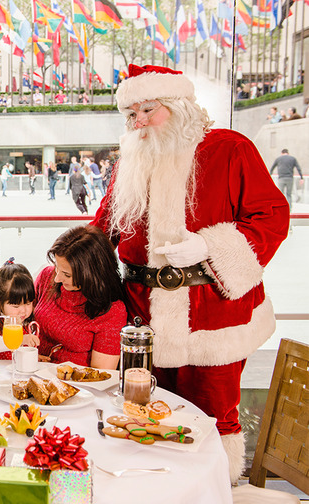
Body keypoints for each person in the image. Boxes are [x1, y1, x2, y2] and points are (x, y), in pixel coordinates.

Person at [92, 64, 289, 482]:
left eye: (148, 109)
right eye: (131, 114)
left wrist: (210, 247)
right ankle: (153, 489)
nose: (138, 122)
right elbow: (104, 227)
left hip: (212, 317)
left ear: (178, 105)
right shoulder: (131, 162)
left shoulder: (230, 149)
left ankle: (213, 490)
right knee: (141, 416)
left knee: (213, 419)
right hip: (142, 318)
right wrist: (65, 262)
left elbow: (271, 215)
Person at [34, 226, 126, 369]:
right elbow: (20, 322)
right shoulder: (47, 276)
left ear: (91, 274)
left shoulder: (112, 310)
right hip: (32, 372)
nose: (57, 278)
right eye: (57, 267)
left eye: (67, 275)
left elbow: (101, 374)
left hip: (74, 381)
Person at [0, 259, 40, 360]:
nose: (23, 311)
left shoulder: (29, 324)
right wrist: (21, 339)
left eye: (28, 303)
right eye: (16, 306)